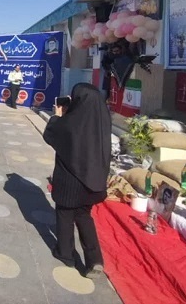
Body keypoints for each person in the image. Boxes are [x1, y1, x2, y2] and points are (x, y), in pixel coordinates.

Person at [43, 83, 110, 279]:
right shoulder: (103, 122)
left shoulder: (70, 123)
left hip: (70, 183)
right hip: (93, 183)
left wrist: (57, 116)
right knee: (84, 216)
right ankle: (94, 260)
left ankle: (65, 253)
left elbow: (51, 134)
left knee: (65, 213)